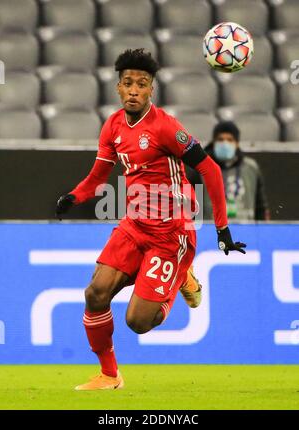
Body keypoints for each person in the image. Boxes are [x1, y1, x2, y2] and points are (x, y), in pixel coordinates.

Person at [56, 49, 246, 391]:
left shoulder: (165, 127)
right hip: (134, 225)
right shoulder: (113, 125)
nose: (133, 90)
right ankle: (109, 376)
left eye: (141, 84)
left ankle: (182, 278)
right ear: (118, 87)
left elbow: (209, 168)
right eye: (127, 83)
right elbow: (99, 175)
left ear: (150, 91)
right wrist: (75, 196)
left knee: (138, 322)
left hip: (170, 233)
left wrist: (222, 227)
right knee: (95, 294)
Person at [200, 121, 270, 221]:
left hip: (246, 230)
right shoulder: (201, 169)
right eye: (220, 139)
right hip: (211, 230)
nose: (225, 143)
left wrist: (263, 230)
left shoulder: (250, 168)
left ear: (237, 143)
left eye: (230, 140)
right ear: (214, 143)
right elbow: (191, 207)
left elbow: (260, 206)